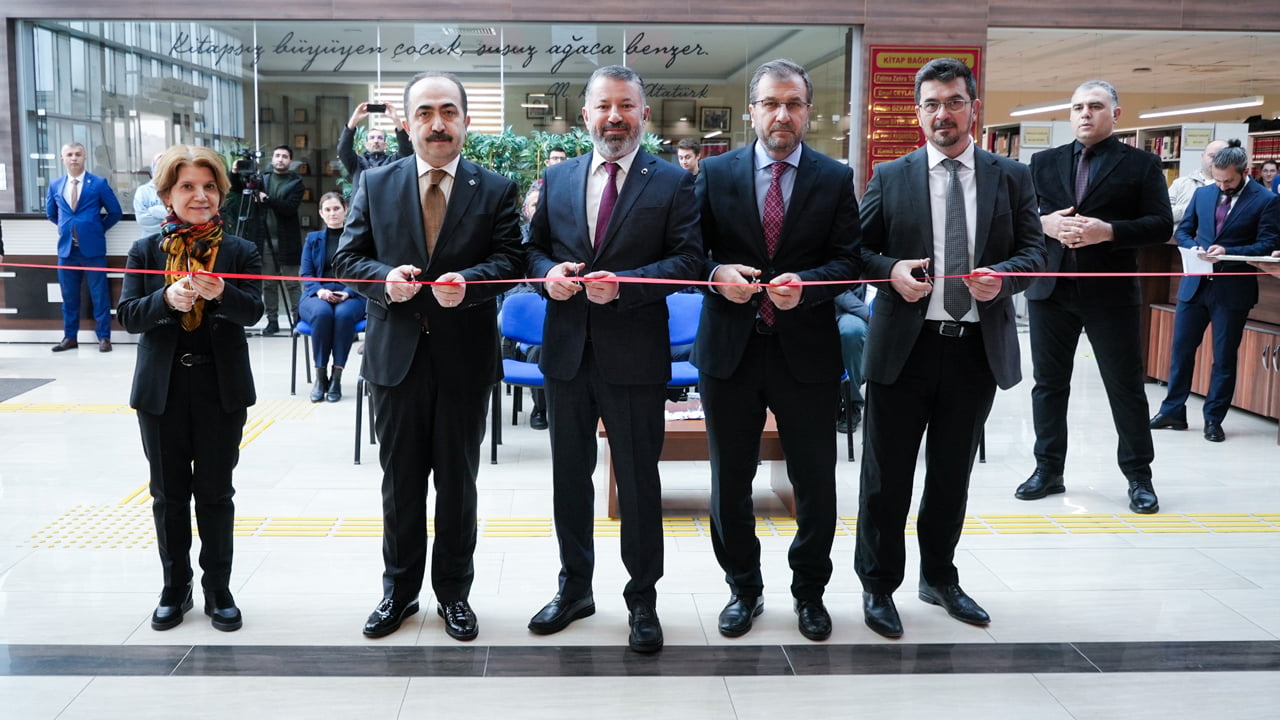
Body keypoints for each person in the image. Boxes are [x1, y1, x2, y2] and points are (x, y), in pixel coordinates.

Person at [854, 57, 1045, 639]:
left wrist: (1004, 278)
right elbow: (852, 253)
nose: (944, 113)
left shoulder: (1009, 177)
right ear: (918, 112)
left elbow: (1036, 255)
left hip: (972, 350)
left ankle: (939, 576)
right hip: (902, 350)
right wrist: (891, 270)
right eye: (932, 104)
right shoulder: (890, 176)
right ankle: (879, 585)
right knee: (886, 476)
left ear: (973, 107)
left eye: (954, 101)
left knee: (951, 473)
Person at [333, 71, 523, 643]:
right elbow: (348, 259)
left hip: (464, 358)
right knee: (401, 483)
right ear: (408, 122)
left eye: (448, 112)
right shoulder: (376, 182)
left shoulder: (494, 188)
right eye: (424, 113)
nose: (436, 124)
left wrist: (471, 282)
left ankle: (455, 596)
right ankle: (399, 592)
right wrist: (382, 280)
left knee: (459, 484)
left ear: (465, 120)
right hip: (396, 359)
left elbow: (511, 260)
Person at [525, 64, 701, 653]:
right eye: (603, 106)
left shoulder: (672, 182)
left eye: (626, 106)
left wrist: (625, 284)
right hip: (568, 354)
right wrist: (547, 275)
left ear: (643, 115)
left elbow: (688, 262)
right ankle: (574, 588)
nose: (614, 117)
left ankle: (642, 599)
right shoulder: (559, 179)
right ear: (586, 115)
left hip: (635, 355)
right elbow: (531, 252)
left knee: (638, 482)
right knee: (568, 481)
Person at [692, 58, 859, 642]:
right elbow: (690, 253)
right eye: (770, 103)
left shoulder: (835, 178)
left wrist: (808, 289)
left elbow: (849, 262)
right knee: (729, 480)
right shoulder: (714, 175)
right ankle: (744, 586)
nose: (782, 114)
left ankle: (809, 591)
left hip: (806, 349)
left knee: (815, 479)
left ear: (808, 112)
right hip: (729, 352)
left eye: (793, 104)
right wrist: (716, 274)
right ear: (752, 111)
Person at [116, 144, 264, 633]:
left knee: (217, 495)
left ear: (220, 192)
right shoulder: (145, 250)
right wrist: (165, 298)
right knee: (168, 496)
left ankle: (218, 589)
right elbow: (129, 317)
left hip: (220, 390)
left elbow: (254, 311)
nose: (200, 196)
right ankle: (174, 587)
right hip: (162, 390)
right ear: (166, 195)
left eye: (209, 187)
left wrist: (221, 292)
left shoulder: (239, 250)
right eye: (187, 187)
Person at [1016, 80, 1174, 514]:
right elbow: (1019, 217)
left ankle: (1139, 477)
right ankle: (1047, 469)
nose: (1085, 114)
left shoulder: (1142, 164)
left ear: (1115, 114)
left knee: (1124, 387)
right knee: (1048, 386)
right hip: (1050, 290)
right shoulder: (1042, 163)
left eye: (1095, 106)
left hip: (1111, 292)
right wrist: (1045, 225)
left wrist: (1111, 231)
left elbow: (1162, 225)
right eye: (1077, 107)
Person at [1150, 140, 1280, 441]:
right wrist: (1190, 245)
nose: (1222, 186)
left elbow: (1267, 244)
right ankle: (1173, 410)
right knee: (1180, 352)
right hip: (1195, 285)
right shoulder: (1203, 193)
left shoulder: (1265, 200)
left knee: (1223, 357)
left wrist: (1228, 250)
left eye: (1229, 181)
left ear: (1245, 172)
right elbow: (1183, 229)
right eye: (1218, 179)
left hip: (1232, 290)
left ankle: (1213, 419)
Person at [46, 142, 123, 353]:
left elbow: (115, 212)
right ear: (62, 159)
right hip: (67, 252)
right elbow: (51, 214)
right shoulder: (55, 185)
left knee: (100, 296)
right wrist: (67, 229)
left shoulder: (98, 183)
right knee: (69, 297)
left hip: (93, 251)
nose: (74, 158)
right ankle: (70, 337)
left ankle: (104, 338)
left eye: (78, 154)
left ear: (84, 157)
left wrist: (96, 229)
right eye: (69, 155)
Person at [299, 192, 367, 403]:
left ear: (345, 210)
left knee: (344, 316)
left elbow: (364, 271)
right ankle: (321, 377)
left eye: (336, 208)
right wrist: (320, 291)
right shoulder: (313, 239)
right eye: (327, 209)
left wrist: (348, 292)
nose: (332, 213)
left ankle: (336, 377)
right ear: (321, 213)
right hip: (317, 293)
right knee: (322, 313)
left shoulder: (357, 238)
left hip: (352, 292)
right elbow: (306, 274)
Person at [258, 145, 304, 336]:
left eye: (284, 156)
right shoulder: (263, 179)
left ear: (290, 161)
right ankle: (272, 321)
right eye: (277, 155)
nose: (280, 159)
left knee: (292, 283)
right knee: (269, 284)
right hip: (265, 240)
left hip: (288, 240)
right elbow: (240, 188)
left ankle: (298, 321)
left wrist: (267, 199)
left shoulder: (296, 183)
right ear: (272, 159)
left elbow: (288, 208)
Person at [338, 101, 413, 191]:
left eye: (380, 138)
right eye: (372, 138)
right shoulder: (356, 163)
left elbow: (407, 150)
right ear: (366, 144)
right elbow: (343, 150)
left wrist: (396, 119)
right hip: (361, 205)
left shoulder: (394, 162)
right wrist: (354, 119)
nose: (376, 140)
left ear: (385, 145)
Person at [834, 286, 869, 433]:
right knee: (851, 331)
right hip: (849, 308)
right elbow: (838, 286)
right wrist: (870, 314)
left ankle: (851, 402)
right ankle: (848, 402)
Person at [1168, 140, 1229, 223]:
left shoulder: (1231, 186)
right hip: (1179, 235)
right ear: (1203, 156)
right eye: (1212, 156)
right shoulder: (1180, 183)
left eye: (1222, 157)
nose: (1216, 160)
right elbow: (1164, 214)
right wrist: (1194, 206)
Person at [133, 153, 169, 238]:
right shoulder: (143, 191)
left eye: (165, 166)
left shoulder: (176, 190)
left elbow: (181, 217)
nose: (161, 170)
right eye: (159, 165)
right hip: (148, 242)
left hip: (173, 243)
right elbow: (142, 220)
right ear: (153, 167)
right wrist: (166, 214)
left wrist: (153, 210)